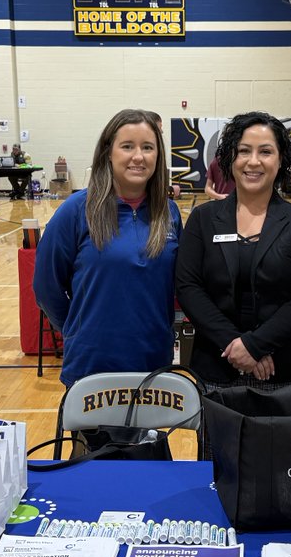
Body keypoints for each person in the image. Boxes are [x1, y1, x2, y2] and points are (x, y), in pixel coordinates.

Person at [176, 112, 291, 391]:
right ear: (230, 158)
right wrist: (236, 347)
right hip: (216, 369)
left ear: (280, 159)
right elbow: (188, 287)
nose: (253, 161)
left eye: (266, 151)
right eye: (244, 151)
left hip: (286, 373)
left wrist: (256, 345)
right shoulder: (203, 218)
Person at [34, 109, 182, 388]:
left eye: (148, 147)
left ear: (158, 156)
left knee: (150, 434)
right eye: (127, 146)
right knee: (94, 435)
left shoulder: (169, 214)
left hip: (153, 365)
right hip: (92, 366)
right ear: (108, 153)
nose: (138, 156)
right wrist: (78, 330)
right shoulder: (76, 211)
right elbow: (46, 286)